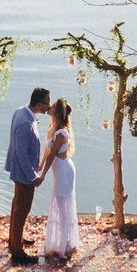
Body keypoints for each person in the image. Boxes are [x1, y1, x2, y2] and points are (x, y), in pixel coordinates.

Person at [3, 86, 52, 264]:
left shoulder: (20, 111)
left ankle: (16, 240)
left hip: (20, 170)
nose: (49, 106)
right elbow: (22, 153)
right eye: (47, 103)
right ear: (39, 104)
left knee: (17, 207)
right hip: (24, 174)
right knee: (21, 210)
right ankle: (17, 252)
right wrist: (32, 176)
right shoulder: (25, 122)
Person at [43, 97, 79, 261]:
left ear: (57, 112)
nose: (49, 107)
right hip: (59, 170)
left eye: (53, 106)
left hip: (64, 170)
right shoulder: (53, 128)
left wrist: (42, 175)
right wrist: (39, 166)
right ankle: (61, 242)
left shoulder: (62, 132)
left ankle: (65, 244)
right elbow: (46, 151)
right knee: (59, 203)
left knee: (63, 204)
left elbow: (52, 155)